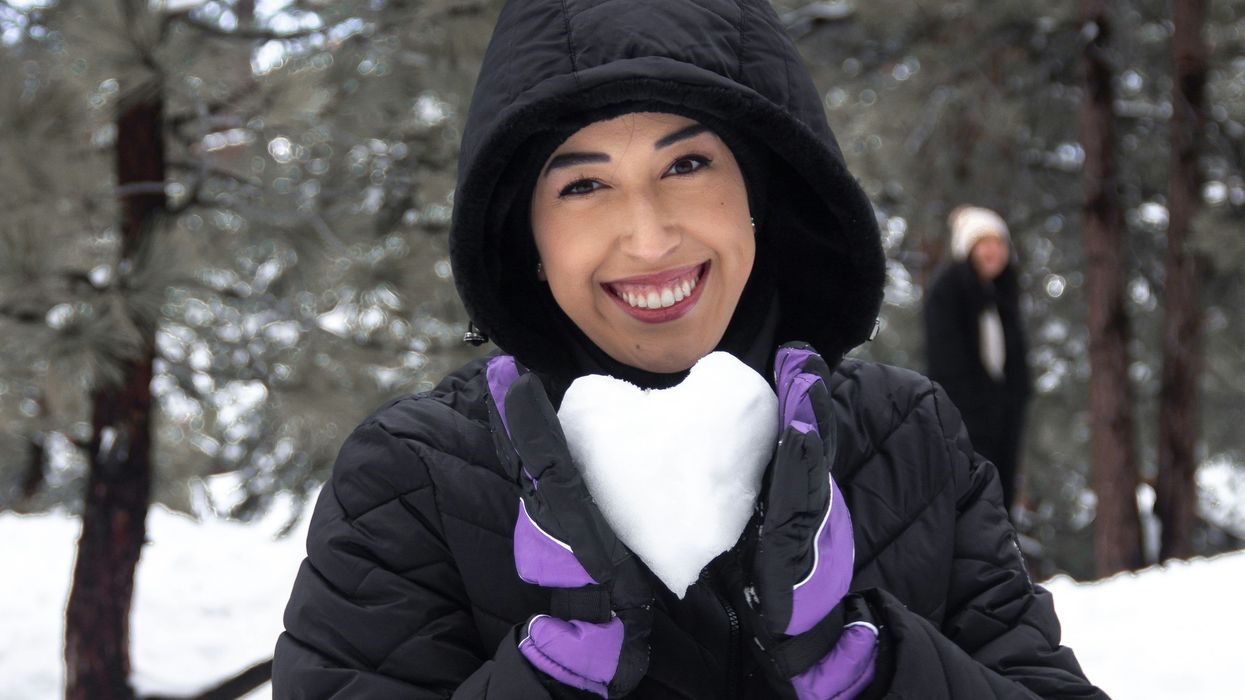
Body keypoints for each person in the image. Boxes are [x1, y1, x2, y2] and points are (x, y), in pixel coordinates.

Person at [273, 2, 1102, 698]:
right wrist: (550, 677)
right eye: (583, 184)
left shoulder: (906, 437)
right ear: (524, 236)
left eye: (688, 163)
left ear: (760, 193)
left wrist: (874, 665)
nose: (648, 236)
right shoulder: (411, 479)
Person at [923, 206, 1032, 512]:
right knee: (970, 494)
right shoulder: (947, 290)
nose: (994, 251)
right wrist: (974, 406)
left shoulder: (1004, 293)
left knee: (1002, 492)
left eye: (999, 243)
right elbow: (945, 358)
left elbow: (1015, 358)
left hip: (1004, 415)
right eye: (985, 243)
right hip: (964, 414)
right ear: (969, 248)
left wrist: (1016, 399)